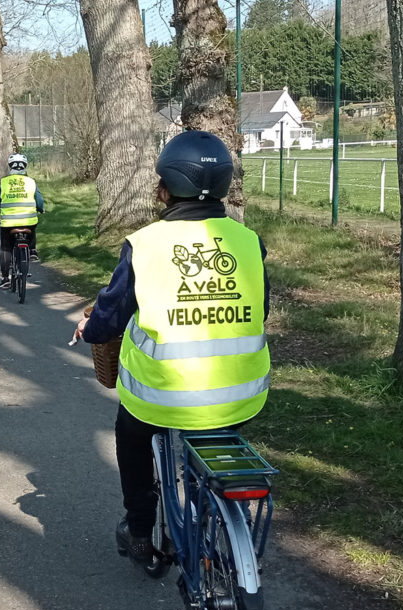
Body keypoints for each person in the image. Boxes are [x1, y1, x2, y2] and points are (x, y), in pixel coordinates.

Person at [73, 130, 271, 564]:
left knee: (132, 435)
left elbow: (112, 312)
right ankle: (209, 523)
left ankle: (140, 530)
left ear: (165, 188)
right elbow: (262, 309)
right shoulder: (248, 243)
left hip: (160, 395)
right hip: (239, 393)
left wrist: (91, 329)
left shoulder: (146, 245)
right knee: (211, 445)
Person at [0, 153, 44, 288]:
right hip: (28, 221)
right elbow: (39, 199)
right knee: (32, 225)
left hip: (8, 223)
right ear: (25, 166)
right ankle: (32, 250)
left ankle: (5, 278)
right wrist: (41, 208)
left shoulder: (4, 182)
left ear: (10, 166)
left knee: (6, 248)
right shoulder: (31, 182)